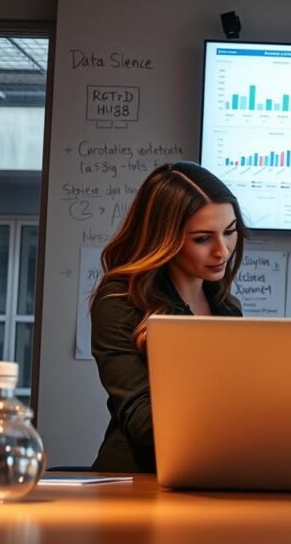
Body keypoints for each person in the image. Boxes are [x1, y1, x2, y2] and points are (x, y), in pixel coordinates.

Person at [90, 161, 248, 473]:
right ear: (164, 238)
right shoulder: (119, 302)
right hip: (137, 476)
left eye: (229, 232)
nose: (223, 251)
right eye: (203, 239)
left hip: (206, 471)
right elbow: (141, 418)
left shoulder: (226, 307)